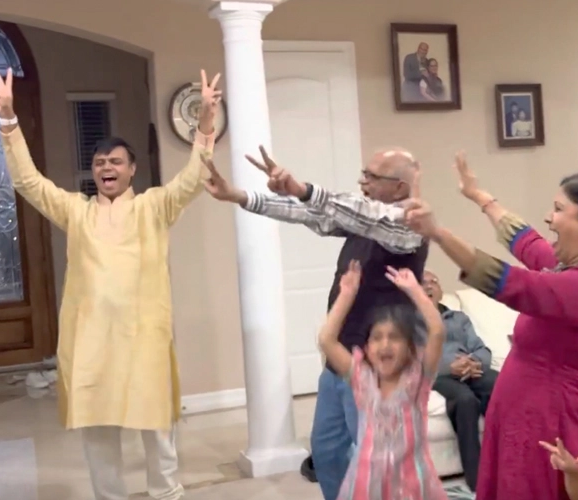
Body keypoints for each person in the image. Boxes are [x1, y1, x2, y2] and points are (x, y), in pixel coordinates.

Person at [0, 67, 221, 500]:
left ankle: (166, 494)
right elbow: (28, 182)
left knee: (157, 432)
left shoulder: (154, 206)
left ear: (132, 170)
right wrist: (8, 120)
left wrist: (206, 123)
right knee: (98, 437)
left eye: (115, 161)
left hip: (144, 340)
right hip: (92, 342)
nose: (106, 167)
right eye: (99, 163)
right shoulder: (77, 210)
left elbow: (193, 181)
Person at [403, 152, 578, 499]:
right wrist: (480, 197)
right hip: (523, 416)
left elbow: (512, 284)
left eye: (559, 209)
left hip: (546, 428)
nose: (550, 217)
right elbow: (527, 243)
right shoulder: (574, 269)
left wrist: (437, 232)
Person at [202, 146, 427, 500]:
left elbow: (363, 214)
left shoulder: (411, 224)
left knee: (375, 462)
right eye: (363, 174)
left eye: (371, 177)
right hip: (339, 360)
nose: (361, 181)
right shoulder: (362, 220)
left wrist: (301, 186)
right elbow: (312, 214)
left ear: (399, 188)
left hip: (378, 370)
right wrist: (240, 196)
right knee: (327, 453)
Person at [318, 260, 447, 499]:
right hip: (367, 484)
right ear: (366, 347)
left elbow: (437, 331)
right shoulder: (361, 377)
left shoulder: (418, 379)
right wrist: (347, 295)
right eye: (377, 338)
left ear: (409, 347)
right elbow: (327, 339)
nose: (385, 345)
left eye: (394, 337)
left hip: (412, 485)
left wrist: (415, 291)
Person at [422, 270, 498, 491]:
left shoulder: (458, 318)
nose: (429, 286)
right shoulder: (411, 322)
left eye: (434, 282)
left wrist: (474, 362)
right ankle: (476, 479)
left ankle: (506, 462)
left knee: (500, 386)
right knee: (465, 400)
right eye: (423, 282)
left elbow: (482, 348)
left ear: (440, 290)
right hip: (438, 375)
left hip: (470, 369)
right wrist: (448, 367)